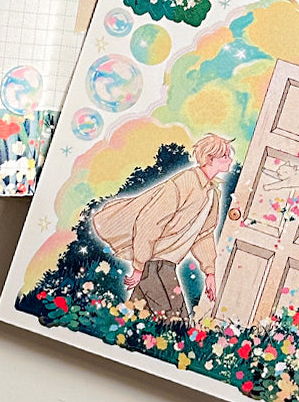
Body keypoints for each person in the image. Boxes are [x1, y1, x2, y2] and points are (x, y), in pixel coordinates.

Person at [90, 132, 234, 323]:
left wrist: (209, 272)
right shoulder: (184, 182)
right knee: (175, 320)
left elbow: (204, 235)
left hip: (165, 263)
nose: (230, 159)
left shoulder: (211, 194)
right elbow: (149, 222)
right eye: (224, 156)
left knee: (137, 315)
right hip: (155, 262)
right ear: (209, 159)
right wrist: (139, 266)